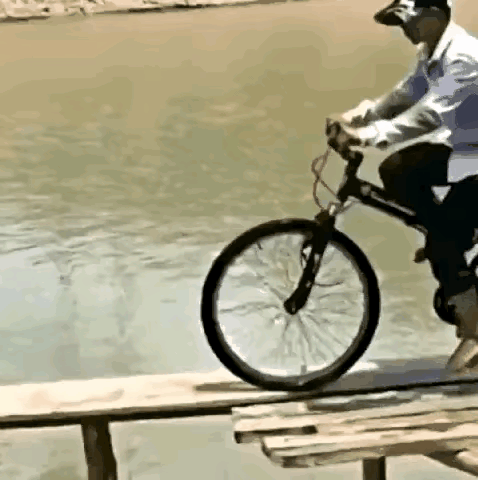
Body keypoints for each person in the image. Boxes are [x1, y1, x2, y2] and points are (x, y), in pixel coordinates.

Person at [326, 0, 478, 375]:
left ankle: (475, 323)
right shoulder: (432, 53)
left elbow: (430, 114)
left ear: (435, 15)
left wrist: (367, 135)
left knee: (442, 241)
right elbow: (405, 96)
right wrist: (356, 116)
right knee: (397, 169)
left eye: (407, 21)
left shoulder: (463, 57)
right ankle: (449, 235)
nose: (403, 30)